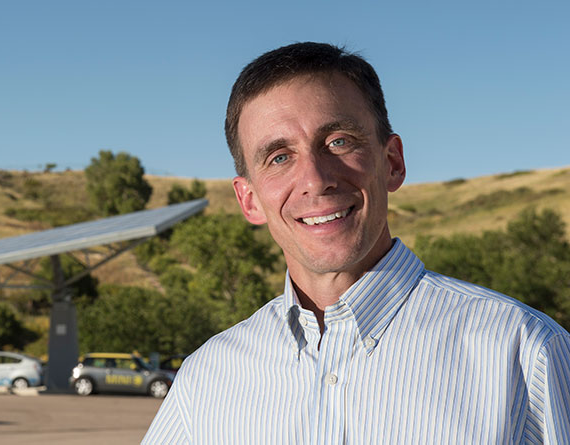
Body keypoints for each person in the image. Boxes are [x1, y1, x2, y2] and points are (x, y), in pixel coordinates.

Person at [143, 42, 570, 444]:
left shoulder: (524, 352)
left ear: (392, 163)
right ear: (249, 199)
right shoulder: (207, 378)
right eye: (279, 157)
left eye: (338, 142)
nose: (315, 179)